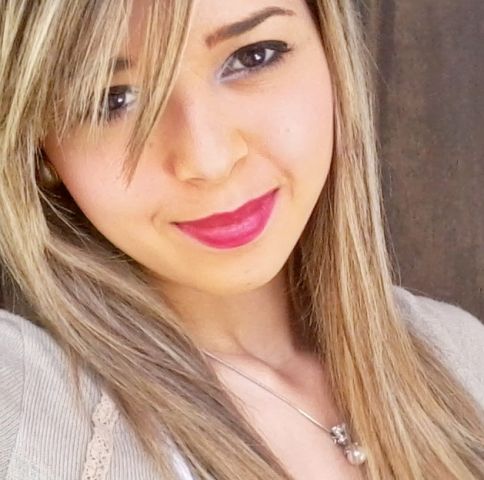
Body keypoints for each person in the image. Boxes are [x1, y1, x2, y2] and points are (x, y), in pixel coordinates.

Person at [0, 1, 483, 479]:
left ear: (331, 52)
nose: (208, 161)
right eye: (111, 100)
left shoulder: (462, 353)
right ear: (39, 146)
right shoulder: (24, 401)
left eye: (254, 56)